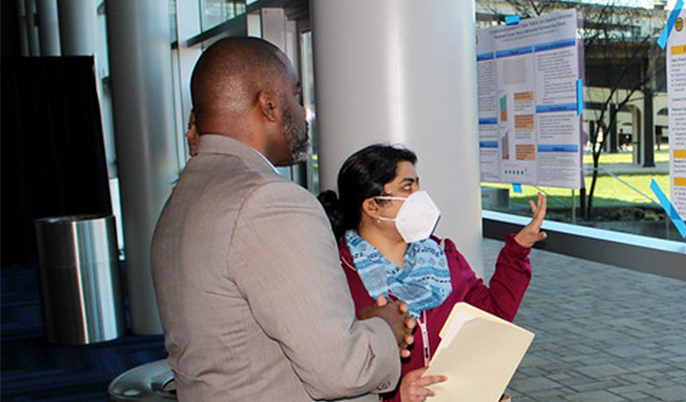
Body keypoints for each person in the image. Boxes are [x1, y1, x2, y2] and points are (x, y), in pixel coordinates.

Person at [151, 37, 414, 402]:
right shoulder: (268, 200)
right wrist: (386, 330)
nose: (302, 109)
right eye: (294, 94)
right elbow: (340, 372)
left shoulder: (186, 194)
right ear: (269, 104)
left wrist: (358, 327)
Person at [319, 144, 547, 402]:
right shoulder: (338, 275)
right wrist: (396, 396)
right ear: (372, 206)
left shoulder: (442, 255)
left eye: (418, 184)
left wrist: (517, 250)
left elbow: (492, 316)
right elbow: (336, 372)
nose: (420, 195)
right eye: (408, 187)